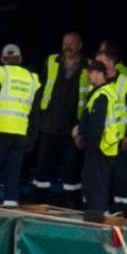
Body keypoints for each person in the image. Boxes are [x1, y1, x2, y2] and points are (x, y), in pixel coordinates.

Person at [0, 42, 43, 202]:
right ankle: (11, 201)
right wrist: (33, 135)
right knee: (13, 171)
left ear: (2, 59)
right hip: (19, 132)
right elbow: (35, 111)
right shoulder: (32, 79)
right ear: (20, 59)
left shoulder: (0, 73)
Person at [76, 52, 127, 221]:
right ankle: (100, 214)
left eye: (91, 72)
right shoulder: (108, 91)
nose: (88, 76)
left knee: (97, 184)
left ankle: (99, 216)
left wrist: (90, 146)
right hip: (109, 145)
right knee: (101, 183)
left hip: (100, 146)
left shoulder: (102, 95)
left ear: (99, 74)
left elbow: (96, 124)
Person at [38, 30, 88, 198]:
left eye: (71, 44)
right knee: (44, 163)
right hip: (50, 122)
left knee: (71, 166)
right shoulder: (52, 61)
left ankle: (71, 200)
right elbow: (41, 86)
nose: (67, 47)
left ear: (80, 46)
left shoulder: (88, 65)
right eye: (65, 43)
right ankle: (40, 198)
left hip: (73, 124)